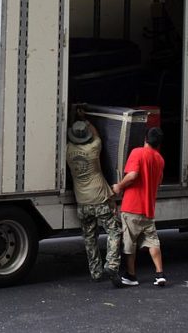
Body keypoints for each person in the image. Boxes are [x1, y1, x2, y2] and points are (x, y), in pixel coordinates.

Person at [66, 119, 122, 284]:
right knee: (114, 231)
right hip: (100, 198)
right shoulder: (93, 148)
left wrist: (73, 118)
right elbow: (97, 134)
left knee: (89, 237)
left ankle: (96, 272)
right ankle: (111, 263)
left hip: (82, 202)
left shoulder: (68, 150)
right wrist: (86, 120)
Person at [112, 127, 166, 287]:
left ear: (145, 139)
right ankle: (159, 274)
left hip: (132, 207)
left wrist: (119, 187)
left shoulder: (137, 152)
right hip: (148, 208)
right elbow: (160, 180)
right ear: (158, 144)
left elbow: (133, 175)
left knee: (130, 243)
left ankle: (131, 276)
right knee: (153, 241)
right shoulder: (160, 159)